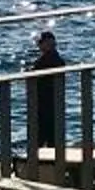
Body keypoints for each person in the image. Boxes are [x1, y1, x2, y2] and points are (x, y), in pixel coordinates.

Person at [24, 28, 67, 156]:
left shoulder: (45, 61)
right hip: (54, 103)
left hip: (44, 104)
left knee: (40, 135)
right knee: (53, 137)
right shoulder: (58, 60)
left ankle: (35, 160)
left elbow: (33, 74)